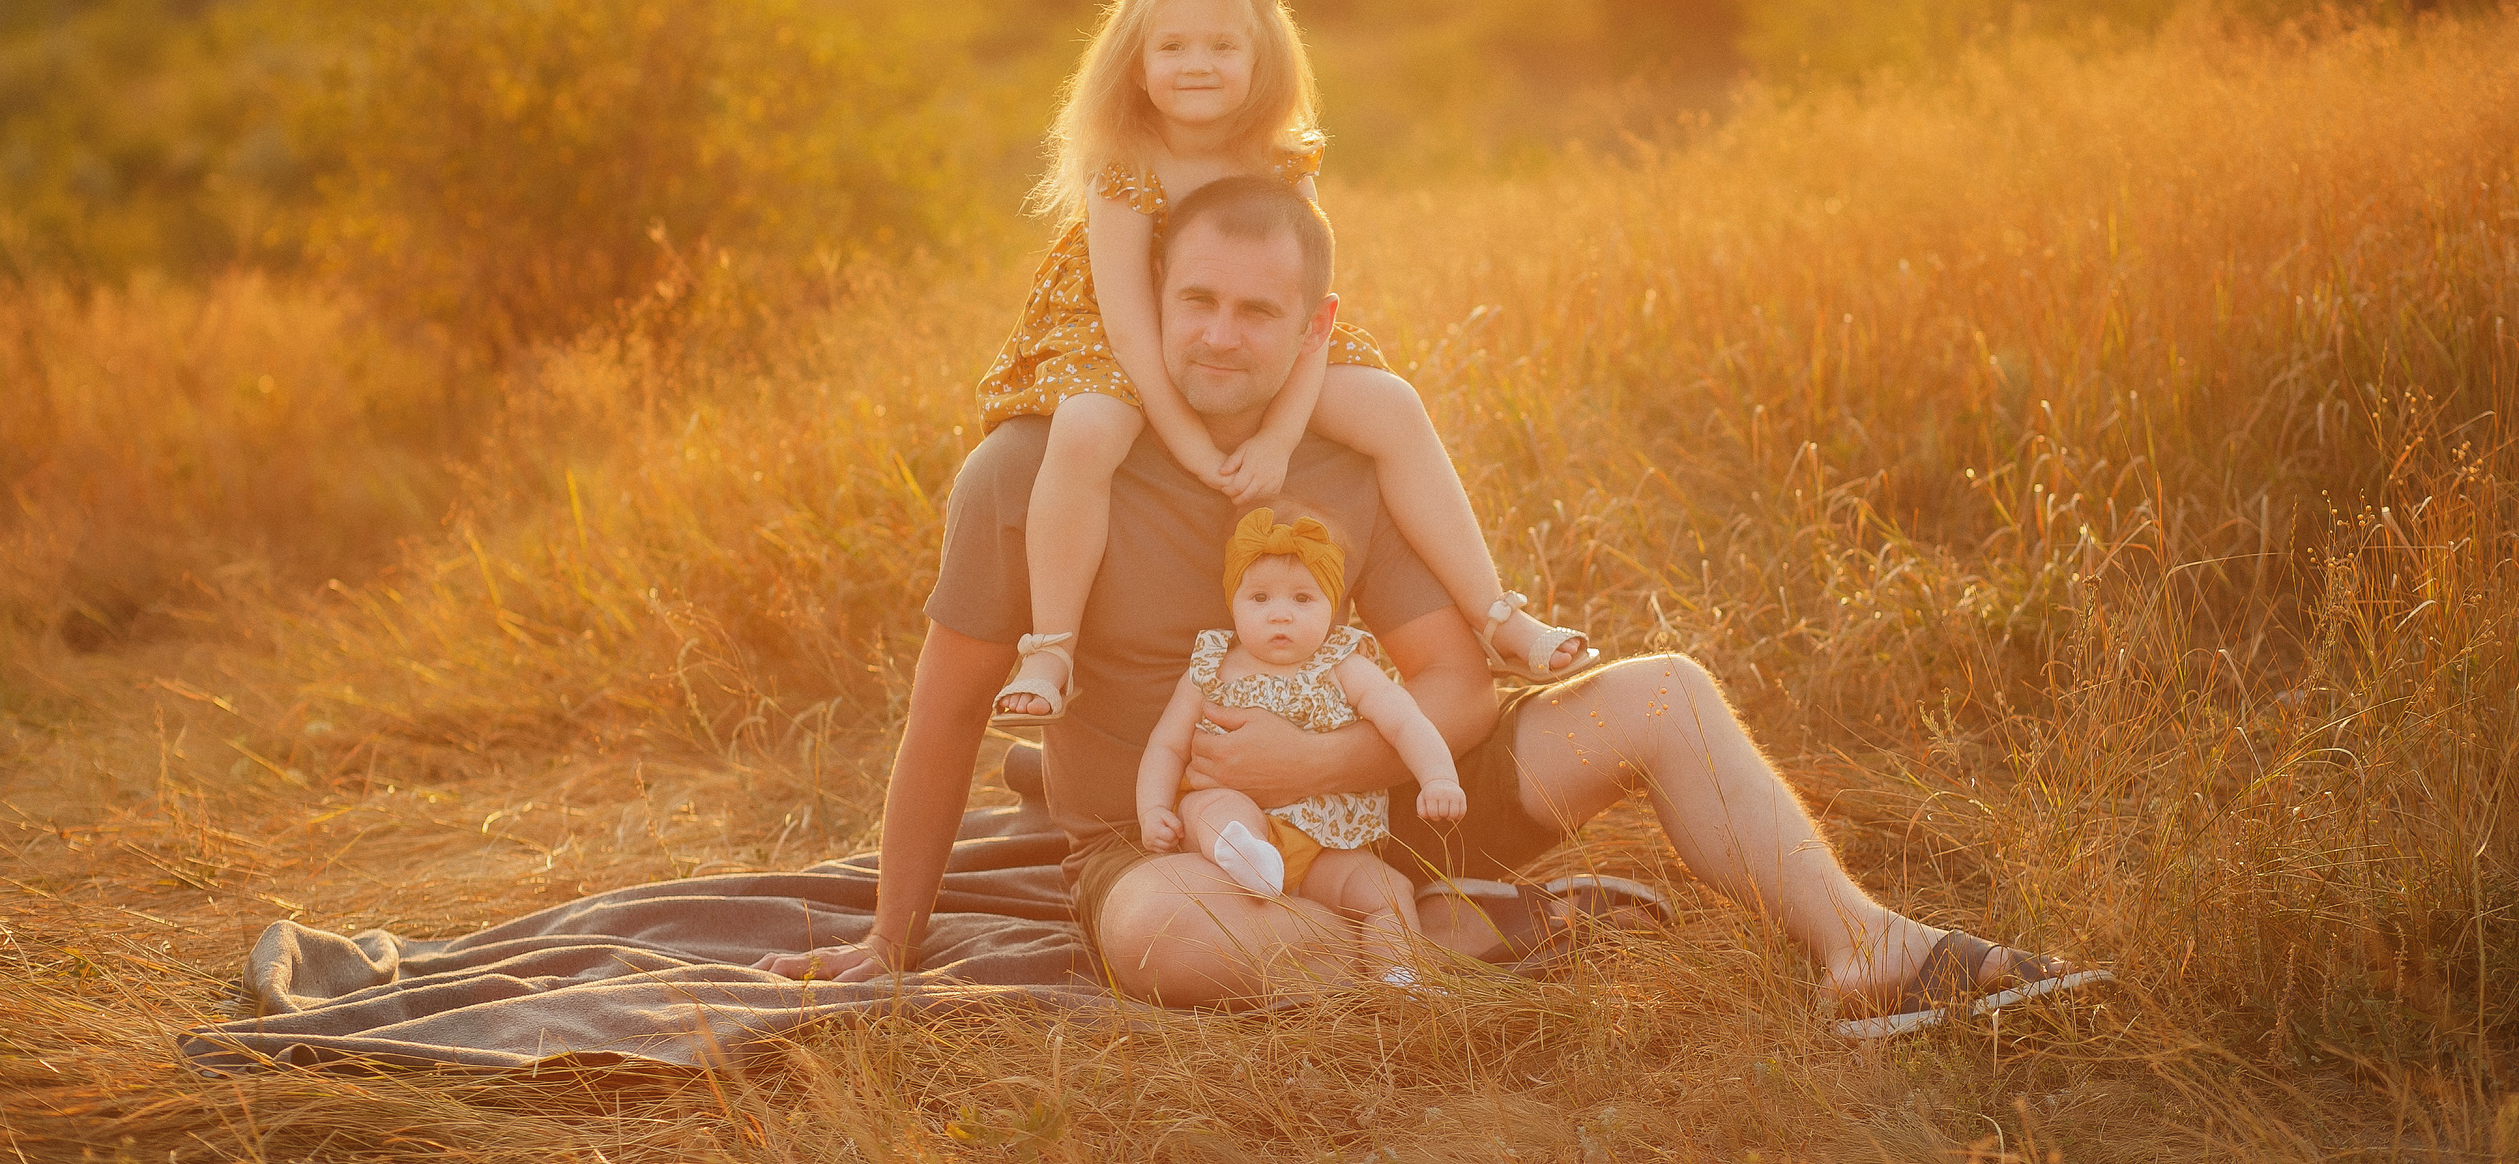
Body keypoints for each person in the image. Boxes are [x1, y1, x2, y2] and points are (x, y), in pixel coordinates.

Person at [760, 175, 2101, 1031]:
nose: (1222, 332)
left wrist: (1325, 755)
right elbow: (943, 714)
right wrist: (890, 936)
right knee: (1174, 935)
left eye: (1258, 309)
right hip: (1177, 847)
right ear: (1144, 306)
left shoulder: (1344, 458)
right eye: (1196, 301)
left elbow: (1457, 690)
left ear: (1313, 325)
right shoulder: (1032, 471)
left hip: (1414, 803)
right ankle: (1459, 940)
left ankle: (1870, 947)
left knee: (1669, 690)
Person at [975, 0, 1590, 732]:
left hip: (1258, 337)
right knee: (1088, 429)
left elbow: (1307, 314)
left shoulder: (1280, 159)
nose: (1197, 63)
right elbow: (1128, 328)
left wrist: (1277, 437)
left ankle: (1495, 612)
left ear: (1262, 58)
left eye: (1222, 44)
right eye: (1173, 46)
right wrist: (1196, 447)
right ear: (1135, 61)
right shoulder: (1126, 161)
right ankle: (1051, 646)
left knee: (1393, 405)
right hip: (1119, 330)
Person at [1136, 504, 1466, 986]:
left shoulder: (1343, 664)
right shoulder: (1210, 668)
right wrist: (1152, 810)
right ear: (1234, 603)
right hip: (1237, 821)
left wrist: (1438, 775)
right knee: (1214, 805)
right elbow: (1165, 745)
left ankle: (1401, 975)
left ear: (1333, 607)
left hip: (1325, 843)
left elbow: (1404, 720)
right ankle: (1246, 857)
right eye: (1260, 598)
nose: (1280, 615)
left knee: (1386, 891)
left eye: (1303, 599)